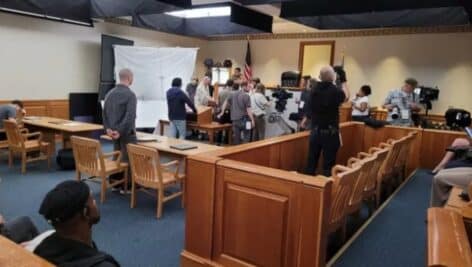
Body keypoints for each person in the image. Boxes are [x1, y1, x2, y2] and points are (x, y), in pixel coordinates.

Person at [35, 180, 120, 267]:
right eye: (92, 199)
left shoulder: (40, 250)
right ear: (86, 212)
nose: (95, 202)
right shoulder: (104, 265)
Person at [302, 66, 348, 176]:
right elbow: (346, 97)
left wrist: (305, 120)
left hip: (315, 131)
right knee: (328, 164)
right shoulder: (334, 90)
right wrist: (344, 81)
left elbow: (310, 109)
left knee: (311, 162)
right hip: (330, 132)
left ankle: (308, 187)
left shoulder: (313, 90)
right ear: (332, 76)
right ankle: (325, 188)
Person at [103, 68, 137, 192]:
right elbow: (130, 117)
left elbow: (104, 113)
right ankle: (126, 186)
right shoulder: (130, 95)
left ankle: (115, 183)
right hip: (127, 133)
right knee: (128, 158)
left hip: (113, 133)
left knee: (117, 156)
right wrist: (120, 132)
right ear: (129, 78)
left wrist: (108, 129)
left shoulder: (109, 93)